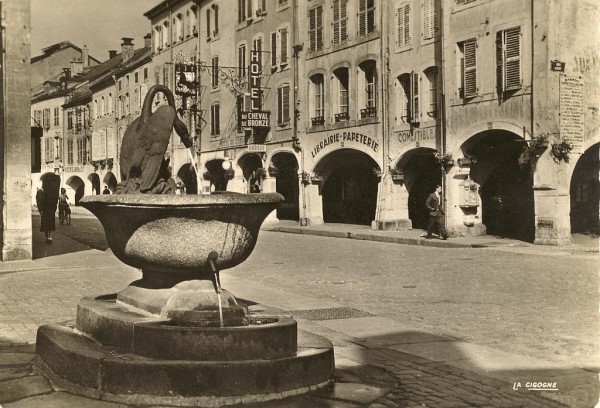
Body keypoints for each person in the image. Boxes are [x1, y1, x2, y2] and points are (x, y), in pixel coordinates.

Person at [36, 177, 59, 243]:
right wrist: (41, 210)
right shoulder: (41, 191)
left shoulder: (49, 191)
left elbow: (54, 201)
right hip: (46, 210)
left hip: (49, 210)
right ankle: (47, 237)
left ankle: (49, 237)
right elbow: (39, 201)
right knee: (47, 225)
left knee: (49, 224)